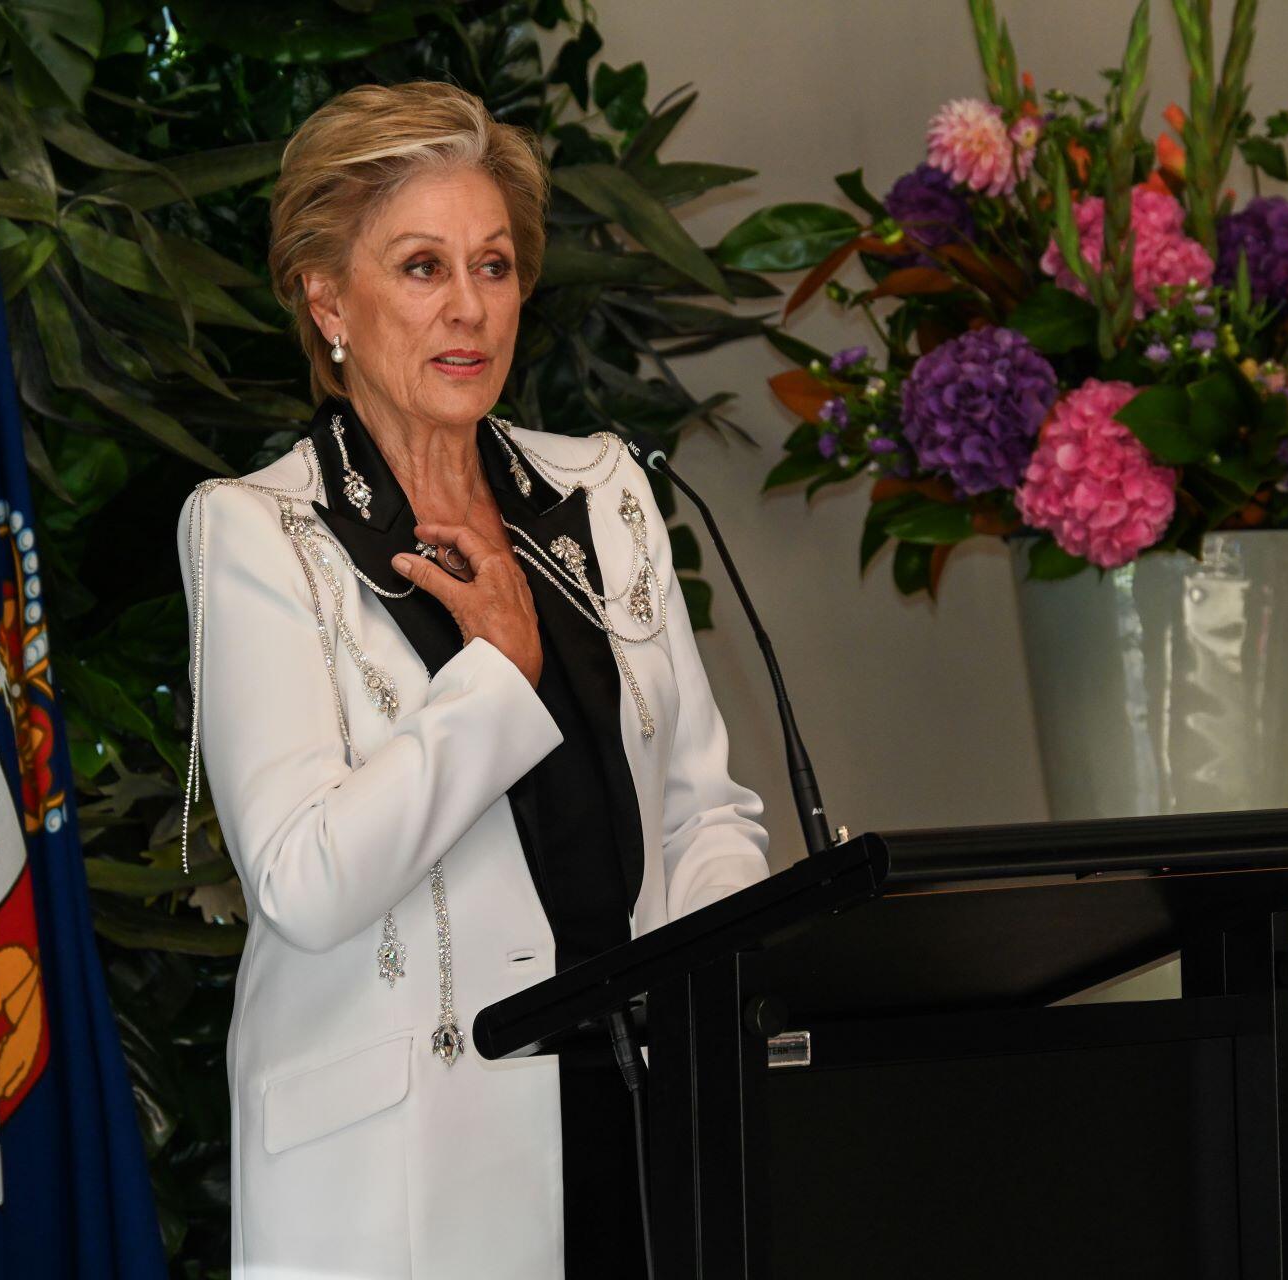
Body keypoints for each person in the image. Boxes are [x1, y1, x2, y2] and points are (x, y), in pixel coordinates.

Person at [174, 80, 772, 1279]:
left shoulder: (600, 494)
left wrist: (734, 968)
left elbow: (701, 810)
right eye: (421, 267)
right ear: (327, 297)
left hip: (642, 1115)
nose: (468, 308)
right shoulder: (259, 532)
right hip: (408, 1169)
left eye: (493, 266)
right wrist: (497, 676)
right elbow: (302, 876)